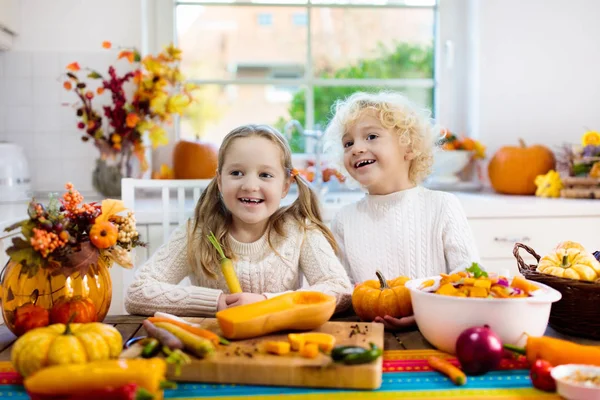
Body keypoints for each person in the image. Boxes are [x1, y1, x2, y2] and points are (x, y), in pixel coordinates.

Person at [125, 124, 352, 317]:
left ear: (285, 186)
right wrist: (216, 302)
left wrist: (267, 302)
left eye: (265, 175)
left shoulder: (301, 231)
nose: (250, 185)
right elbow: (137, 292)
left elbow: (340, 290)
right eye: (236, 173)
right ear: (220, 181)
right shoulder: (196, 233)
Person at [324, 91, 480, 330]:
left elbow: (469, 274)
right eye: (348, 143)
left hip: (436, 328)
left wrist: (427, 313)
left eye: (371, 136)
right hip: (369, 332)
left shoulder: (442, 206)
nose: (356, 148)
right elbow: (342, 287)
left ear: (409, 148)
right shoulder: (344, 219)